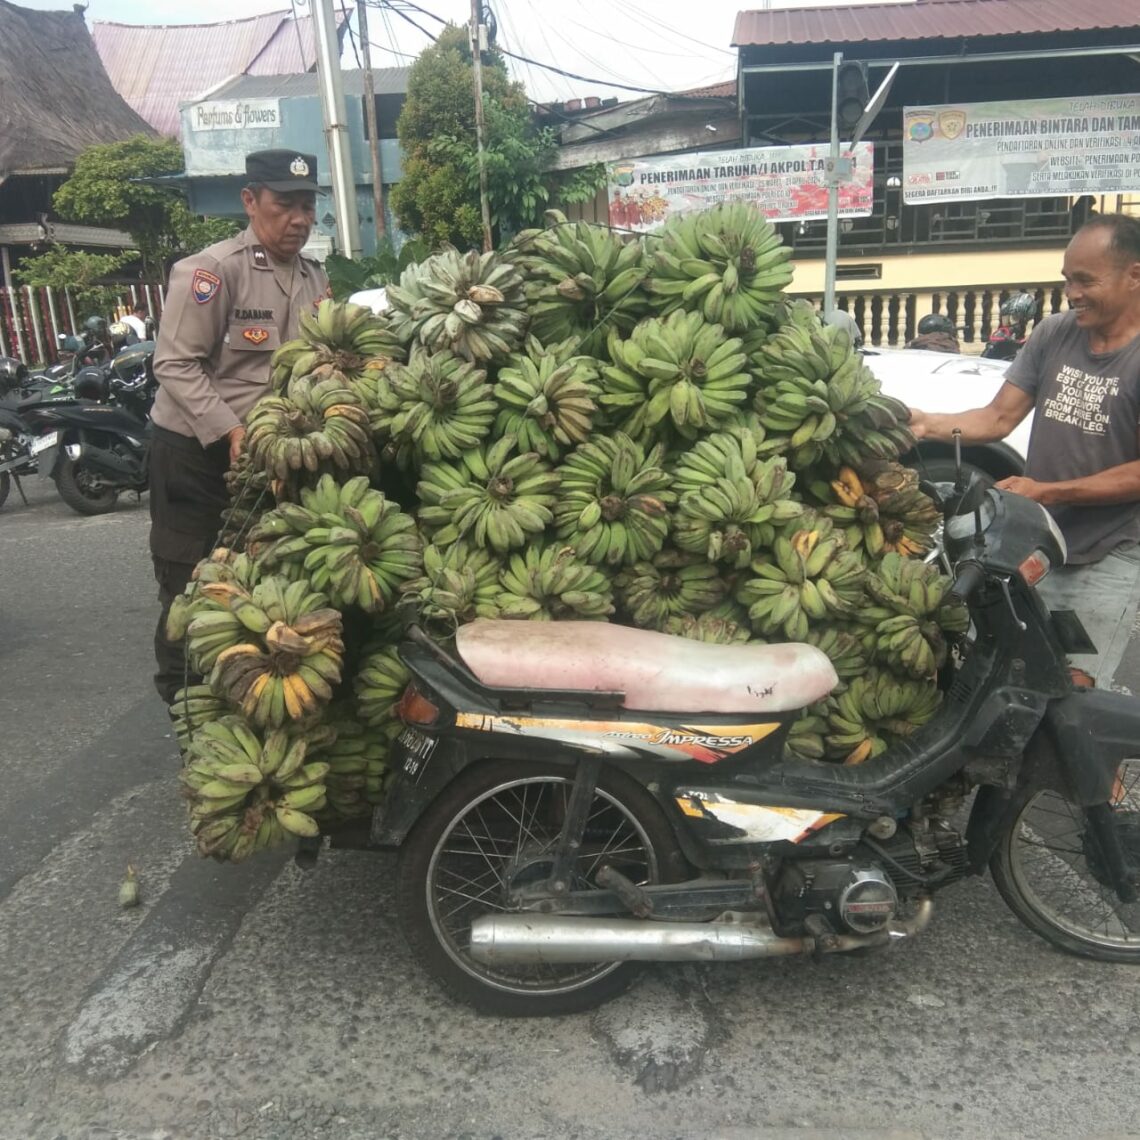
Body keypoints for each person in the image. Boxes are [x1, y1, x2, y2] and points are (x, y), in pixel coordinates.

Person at [908, 213, 1140, 687]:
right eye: (1066, 279)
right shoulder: (1056, 333)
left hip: (1113, 548)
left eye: (1085, 280)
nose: (1071, 292)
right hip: (1039, 540)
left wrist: (1048, 491)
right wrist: (925, 423)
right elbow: (998, 417)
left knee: (1077, 689)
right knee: (1004, 671)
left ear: (1134, 275)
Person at [149, 149, 329, 704]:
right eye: (284, 204)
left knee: (254, 588)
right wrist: (230, 429)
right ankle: (188, 714)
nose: (298, 219)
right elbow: (175, 363)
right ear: (250, 201)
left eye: (307, 205)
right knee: (192, 588)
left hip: (263, 459)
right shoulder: (211, 271)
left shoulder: (314, 278)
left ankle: (243, 702)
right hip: (195, 454)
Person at [982, 291, 1037, 361]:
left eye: (1014, 318)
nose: (1005, 321)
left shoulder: (1030, 343)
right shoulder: (1001, 336)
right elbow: (985, 358)